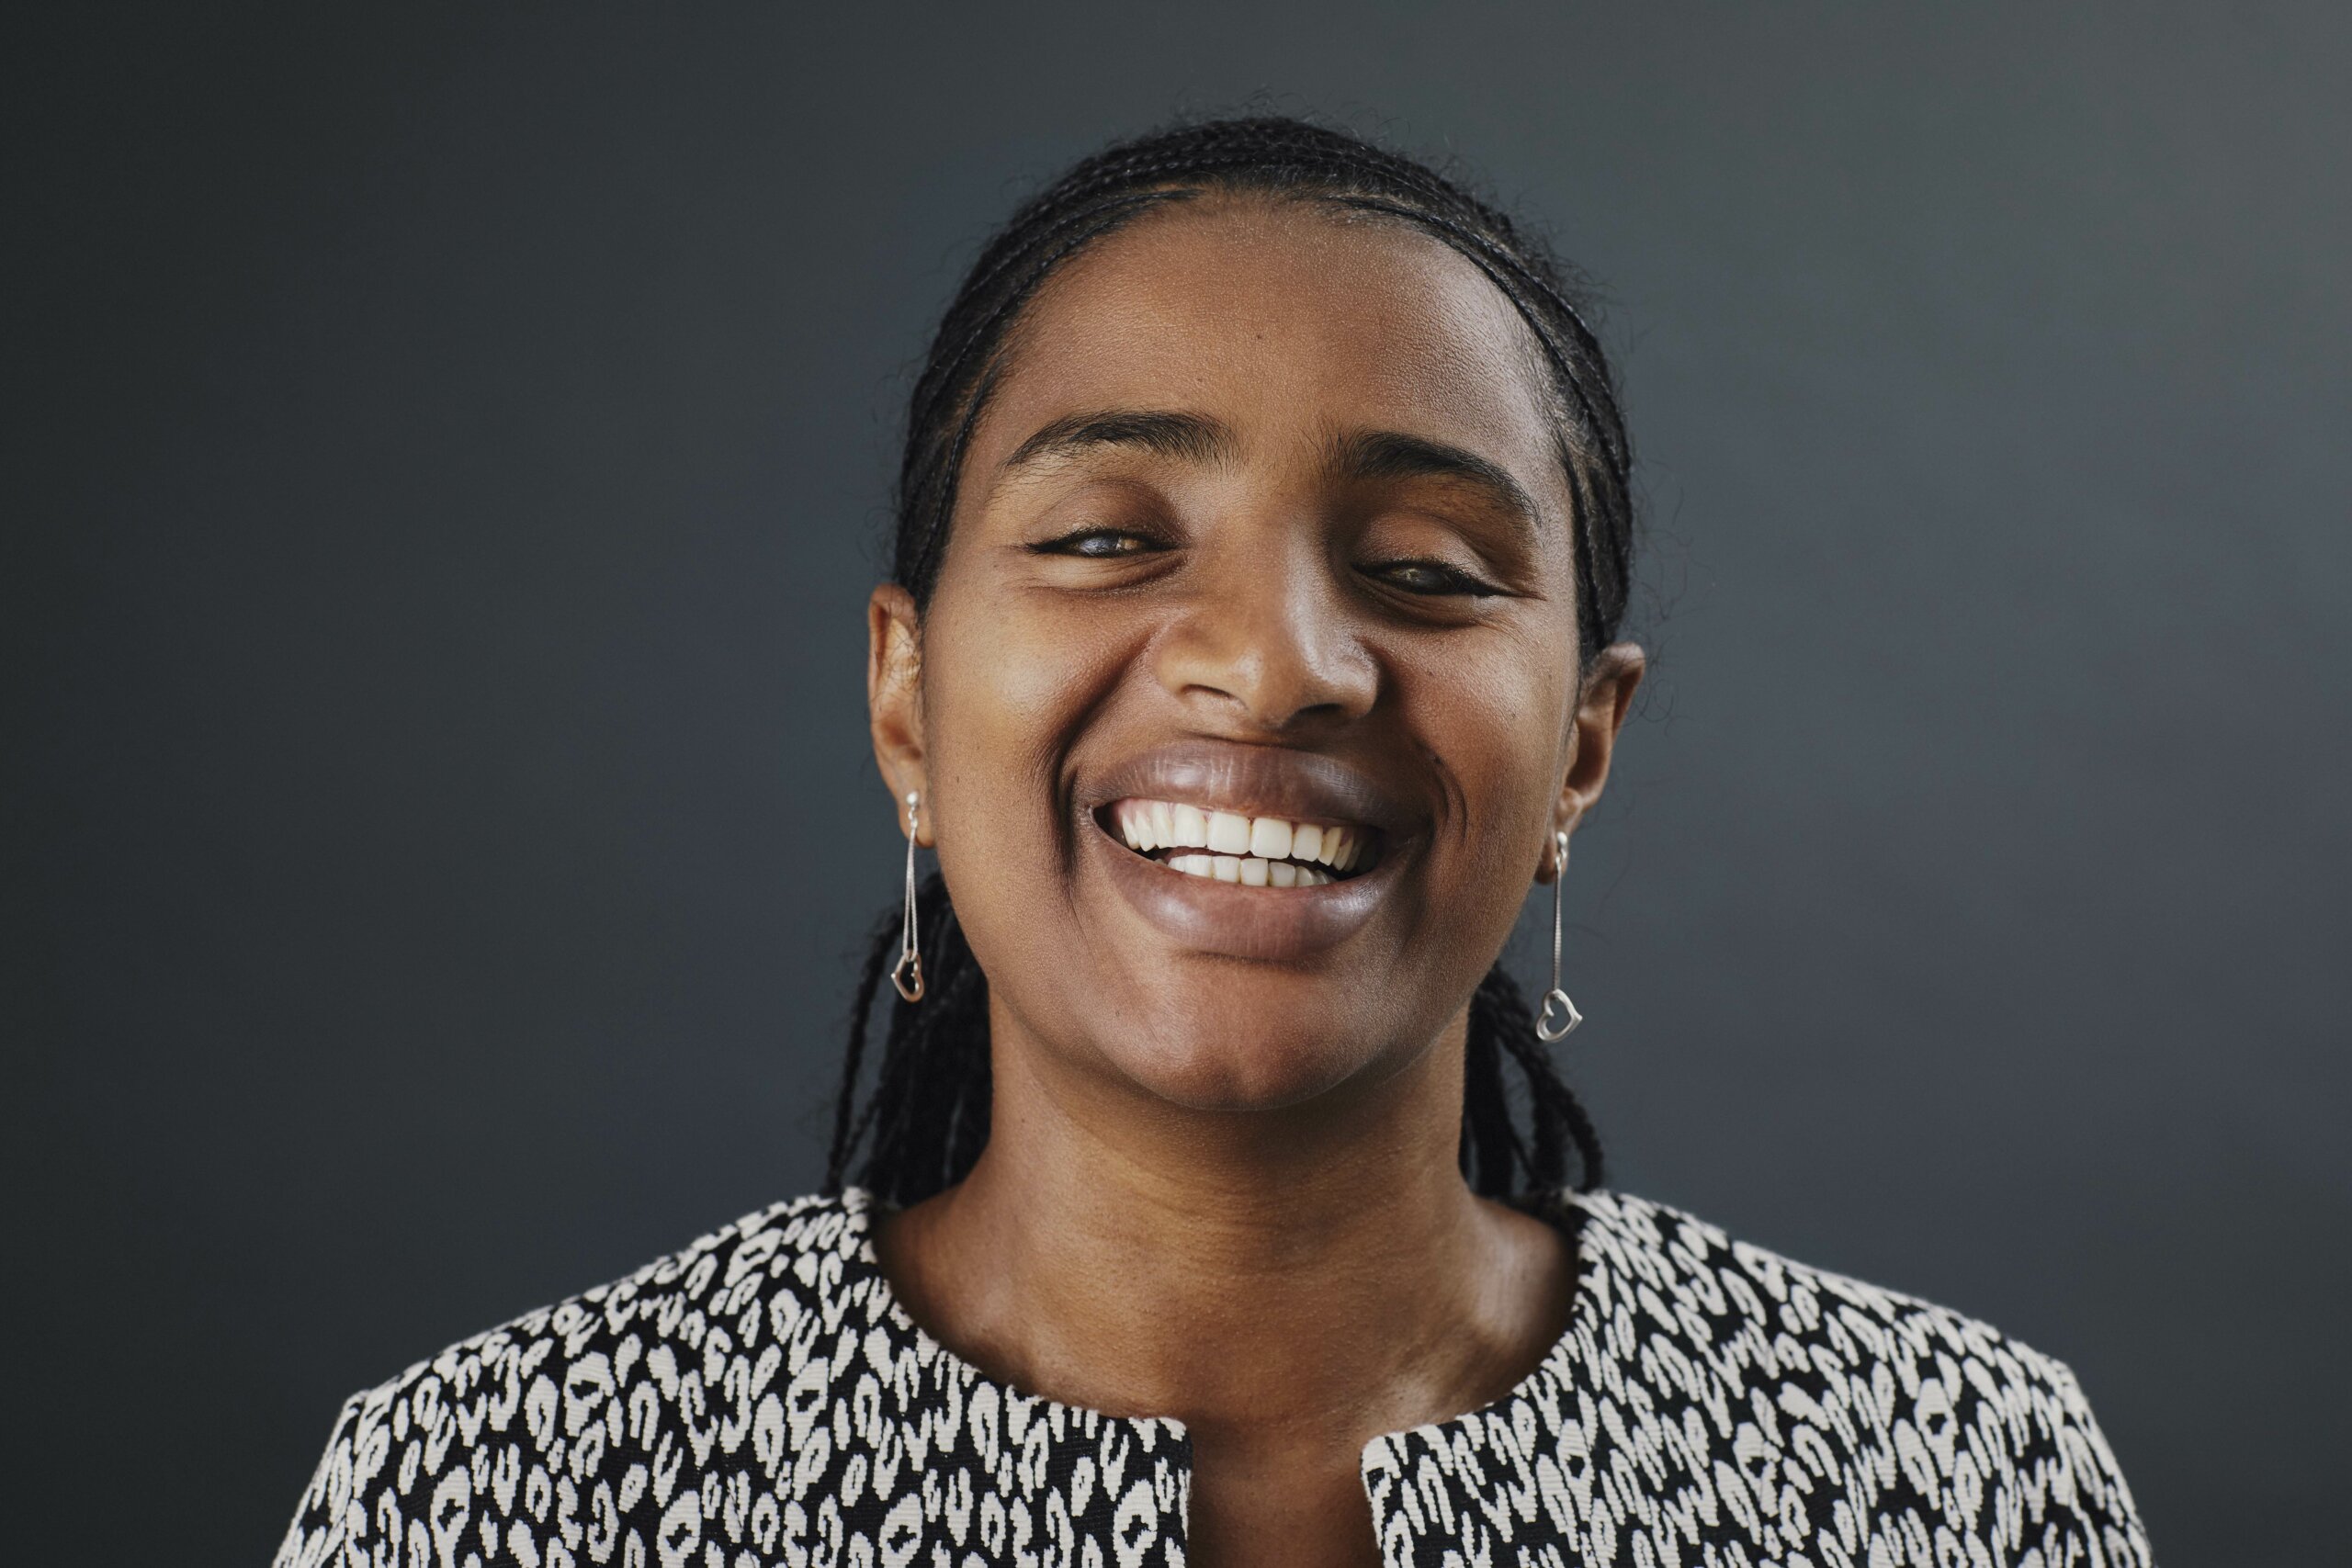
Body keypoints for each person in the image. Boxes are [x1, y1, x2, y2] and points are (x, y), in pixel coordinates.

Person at [273, 117, 2150, 1568]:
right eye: (1108, 534)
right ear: (906, 700)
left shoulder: (1947, 1476)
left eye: (1421, 568)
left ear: (1581, 746)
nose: (1270, 667)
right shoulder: (491, 1491)